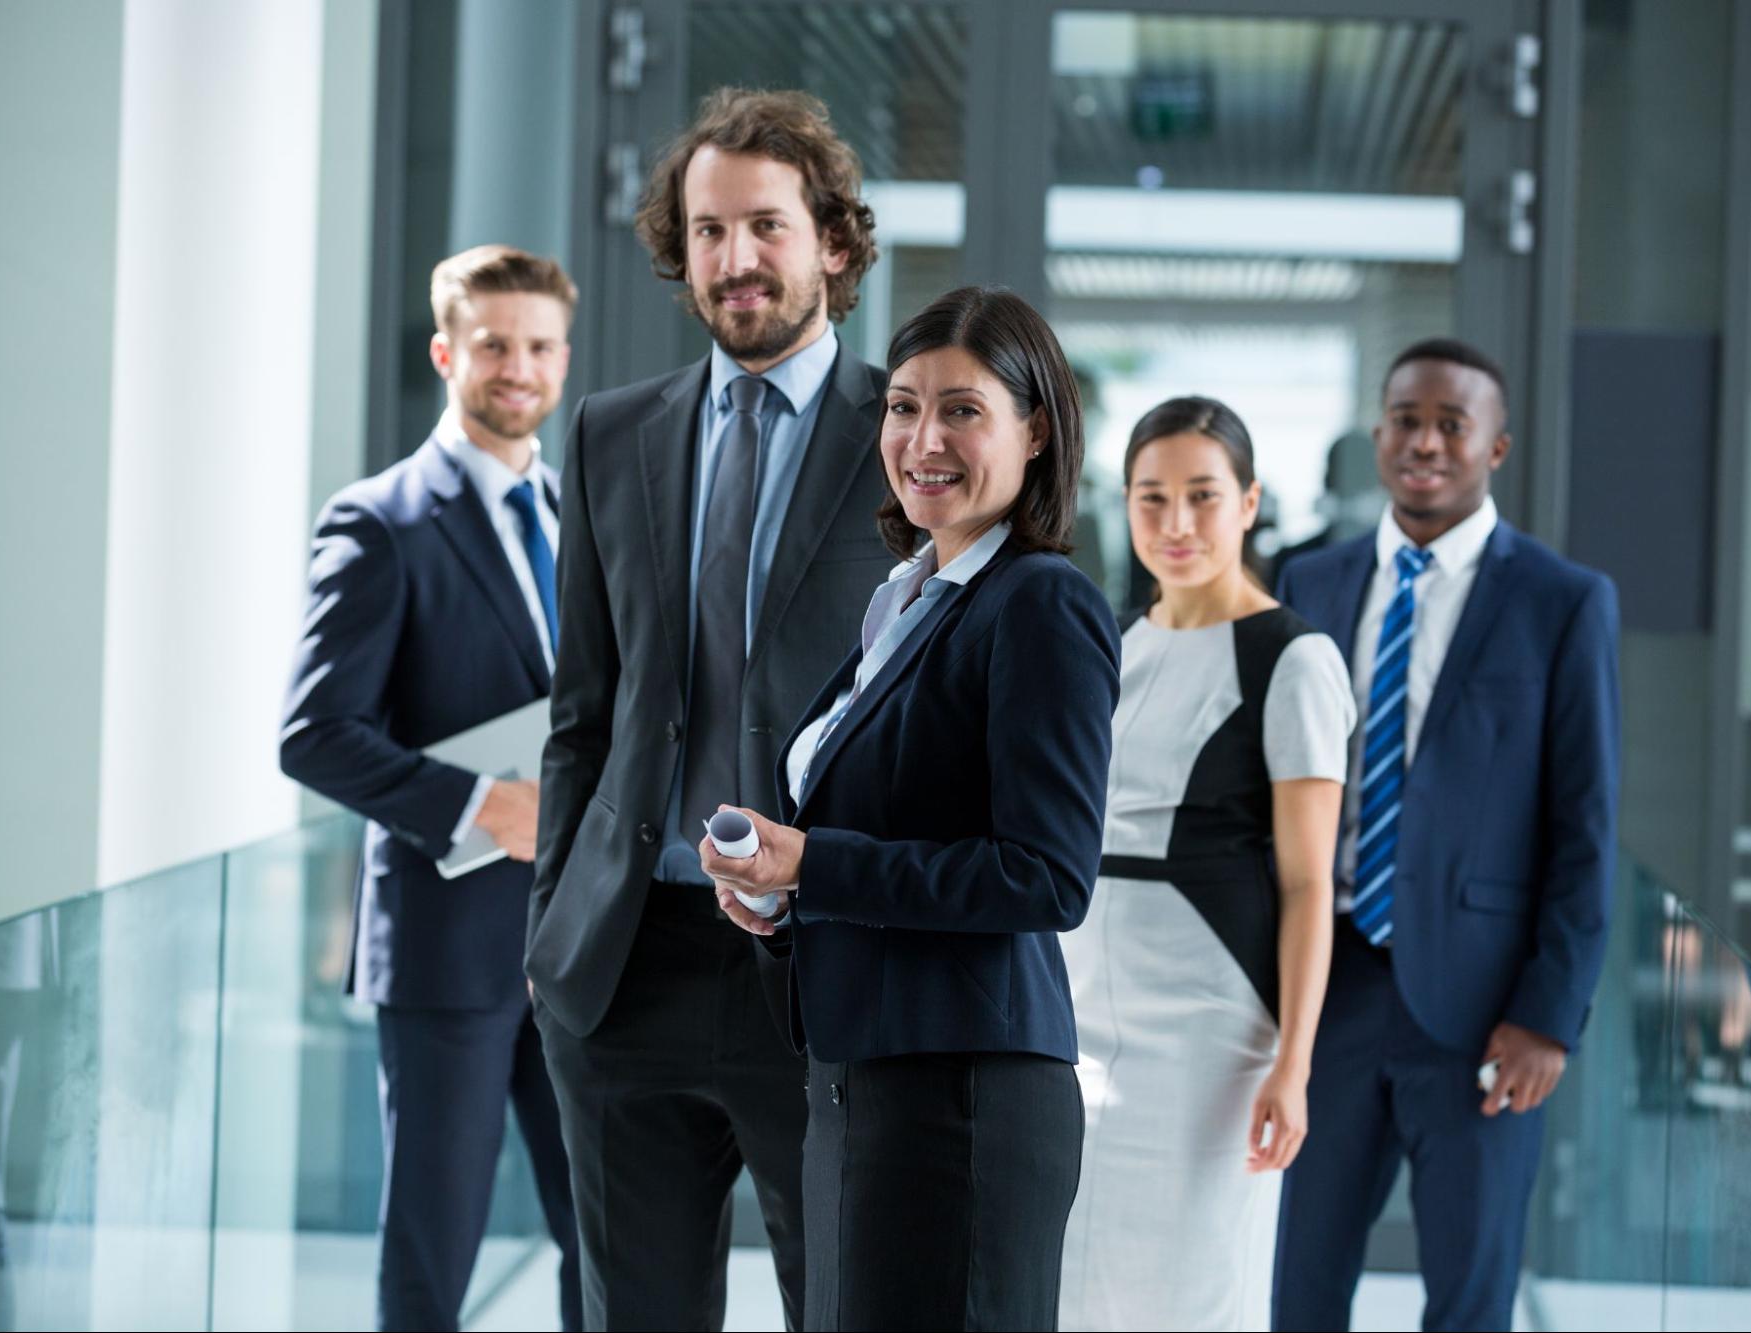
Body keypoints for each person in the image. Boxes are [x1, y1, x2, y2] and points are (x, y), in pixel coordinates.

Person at [525, 88, 887, 1331]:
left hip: (822, 964)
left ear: (832, 242)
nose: (736, 259)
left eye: (767, 227)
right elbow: (584, 710)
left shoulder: (912, 437)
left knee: (839, 1305)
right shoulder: (610, 432)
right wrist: (552, 930)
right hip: (628, 963)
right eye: (710, 231)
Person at [702, 286, 1120, 1332]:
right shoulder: (905, 598)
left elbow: (1045, 875)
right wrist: (782, 900)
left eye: (963, 410)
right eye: (901, 406)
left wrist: (815, 864)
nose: (922, 437)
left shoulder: (1040, 603)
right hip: (864, 1080)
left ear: (1035, 430)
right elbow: (886, 833)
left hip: (963, 1101)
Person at [1271, 337, 1620, 1331]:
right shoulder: (1312, 582)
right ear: (1378, 434)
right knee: (1294, 1282)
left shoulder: (1561, 602)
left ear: (1494, 448)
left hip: (1482, 1014)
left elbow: (1584, 824)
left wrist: (1548, 1015)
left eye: (1450, 425)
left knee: (1469, 1296)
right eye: (1405, 420)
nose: (1424, 442)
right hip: (1322, 994)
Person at [279, 244, 583, 1333]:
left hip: (580, 950)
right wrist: (476, 805)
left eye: (541, 345)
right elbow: (314, 734)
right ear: (446, 350)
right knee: (431, 1258)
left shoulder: (576, 516)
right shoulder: (379, 522)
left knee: (602, 1242)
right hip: (448, 953)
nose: (520, 366)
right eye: (496, 343)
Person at [1058, 398, 1351, 1332]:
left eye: (1200, 496)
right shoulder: (1108, 642)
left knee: (1191, 1285)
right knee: (1070, 1279)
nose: (1175, 525)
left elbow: (1309, 884)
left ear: (1249, 501)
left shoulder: (1294, 659)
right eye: (1151, 499)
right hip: (1077, 1011)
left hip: (1209, 1029)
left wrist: (1294, 1062)